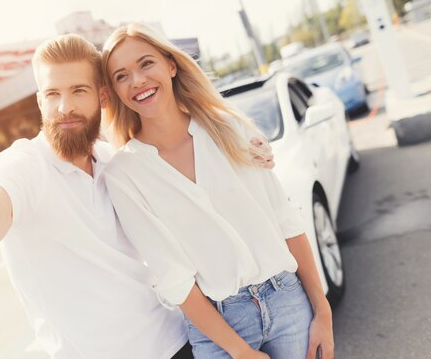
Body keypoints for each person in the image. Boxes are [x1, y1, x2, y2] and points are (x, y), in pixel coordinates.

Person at [0, 27, 273, 359]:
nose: (64, 107)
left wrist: (244, 150)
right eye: (51, 94)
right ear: (38, 101)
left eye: (77, 91)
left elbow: (198, 190)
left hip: (182, 343)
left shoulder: (116, 160)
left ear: (101, 96)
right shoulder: (23, 170)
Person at [101, 23, 335, 359]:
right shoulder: (125, 174)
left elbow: (286, 221)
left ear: (170, 65)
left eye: (145, 64)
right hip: (218, 329)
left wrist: (322, 311)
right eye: (121, 75)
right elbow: (174, 279)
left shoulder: (229, 128)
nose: (137, 80)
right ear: (115, 90)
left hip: (288, 302)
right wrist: (239, 351)